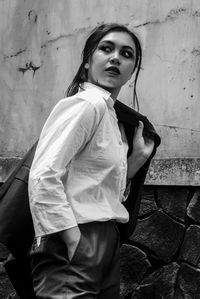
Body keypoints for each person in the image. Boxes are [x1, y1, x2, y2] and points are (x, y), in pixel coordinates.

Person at [28, 23, 155, 299]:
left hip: (105, 238)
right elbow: (43, 175)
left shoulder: (113, 118)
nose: (115, 58)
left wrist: (135, 160)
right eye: (106, 49)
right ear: (87, 62)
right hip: (76, 234)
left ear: (132, 70)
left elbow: (98, 187)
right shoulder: (88, 104)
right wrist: (72, 238)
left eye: (126, 54)